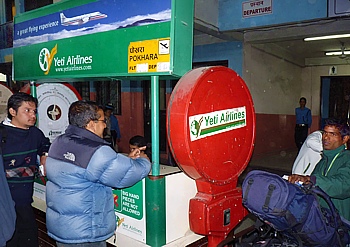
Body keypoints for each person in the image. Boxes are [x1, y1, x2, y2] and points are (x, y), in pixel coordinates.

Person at [45, 100, 151, 247]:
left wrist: (126, 159)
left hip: (62, 227)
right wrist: (144, 161)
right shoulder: (95, 151)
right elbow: (127, 175)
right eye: (103, 120)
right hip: (85, 233)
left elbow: (95, 168)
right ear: (91, 123)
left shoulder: (59, 142)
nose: (105, 125)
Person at [2, 92, 50, 247]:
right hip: (4, 203)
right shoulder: (2, 134)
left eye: (34, 111)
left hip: (25, 202)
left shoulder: (34, 133)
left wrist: (45, 154)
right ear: (12, 112)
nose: (32, 115)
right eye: (27, 111)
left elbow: (45, 143)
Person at [289, 118, 350, 221]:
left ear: (345, 139)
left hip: (341, 223)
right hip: (322, 220)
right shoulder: (322, 161)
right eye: (325, 133)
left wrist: (312, 180)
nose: (326, 137)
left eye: (332, 134)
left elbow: (343, 185)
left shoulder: (347, 158)